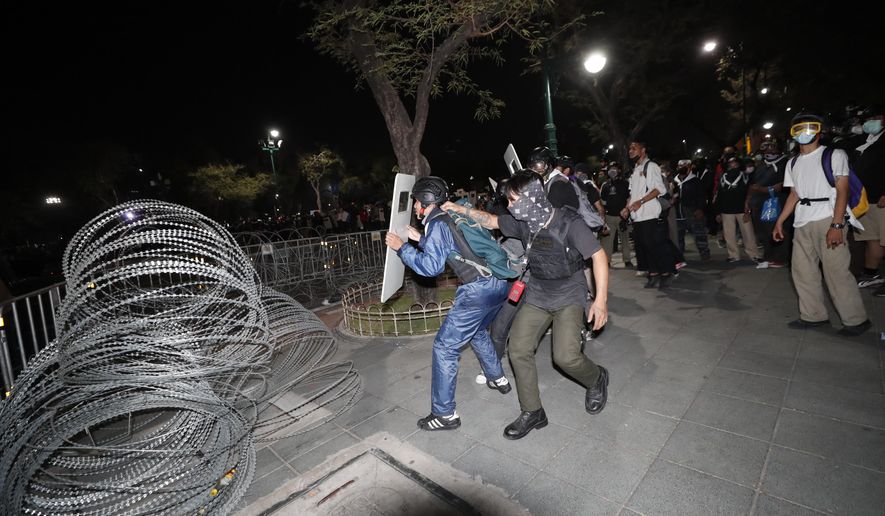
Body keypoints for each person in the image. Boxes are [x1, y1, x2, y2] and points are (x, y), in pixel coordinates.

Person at [442, 170, 610, 440]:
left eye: (513, 200)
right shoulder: (525, 224)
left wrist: (600, 301)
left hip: (569, 292)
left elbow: (598, 256)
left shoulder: (569, 222)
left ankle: (596, 378)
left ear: (532, 198)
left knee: (565, 357)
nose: (509, 206)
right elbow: (492, 221)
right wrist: (458, 210)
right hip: (538, 292)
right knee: (518, 349)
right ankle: (533, 411)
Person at [385, 177, 512, 431]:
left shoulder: (437, 223)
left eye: (416, 202)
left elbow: (431, 267)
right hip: (499, 283)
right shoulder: (448, 215)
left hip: (477, 290)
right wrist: (419, 238)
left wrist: (402, 249)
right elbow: (452, 248)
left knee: (444, 347)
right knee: (477, 331)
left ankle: (445, 415)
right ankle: (497, 378)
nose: (414, 208)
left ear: (425, 202)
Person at [773, 113, 871, 336]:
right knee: (802, 271)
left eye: (809, 127)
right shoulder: (793, 162)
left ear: (819, 131)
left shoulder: (834, 154)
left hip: (828, 216)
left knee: (836, 271)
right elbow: (794, 194)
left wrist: (836, 226)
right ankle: (813, 316)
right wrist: (780, 221)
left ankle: (856, 320)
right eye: (798, 128)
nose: (804, 133)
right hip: (802, 220)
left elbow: (842, 189)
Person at [621, 141, 678, 289]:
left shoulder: (651, 166)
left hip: (650, 214)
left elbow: (659, 189)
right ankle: (653, 275)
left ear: (643, 150)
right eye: (630, 149)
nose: (631, 151)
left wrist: (641, 201)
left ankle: (666, 273)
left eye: (634, 148)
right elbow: (632, 194)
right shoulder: (635, 170)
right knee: (645, 247)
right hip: (638, 216)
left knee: (654, 245)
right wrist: (627, 208)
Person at [853, 105, 885, 296]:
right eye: (869, 118)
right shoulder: (867, 141)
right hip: (866, 199)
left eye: (877, 117)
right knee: (872, 239)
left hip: (881, 198)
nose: (871, 121)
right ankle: (871, 275)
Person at [747, 140, 790, 268]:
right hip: (760, 203)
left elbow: (784, 185)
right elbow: (752, 184)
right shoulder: (760, 165)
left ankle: (781, 258)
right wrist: (748, 200)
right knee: (763, 231)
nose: (769, 152)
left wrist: (765, 189)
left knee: (777, 228)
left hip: (777, 202)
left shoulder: (785, 163)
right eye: (766, 150)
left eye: (772, 149)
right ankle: (768, 256)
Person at [715, 156, 760, 263]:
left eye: (735, 162)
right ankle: (733, 255)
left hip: (742, 209)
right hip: (726, 209)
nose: (733, 164)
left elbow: (750, 192)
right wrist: (718, 212)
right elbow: (719, 195)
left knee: (748, 232)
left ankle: (754, 254)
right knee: (729, 234)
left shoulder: (745, 176)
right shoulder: (723, 177)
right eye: (730, 162)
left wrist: (748, 206)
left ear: (739, 164)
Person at [674, 159, 710, 260]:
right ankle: (679, 257)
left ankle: (705, 253)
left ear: (690, 167)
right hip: (678, 213)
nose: (682, 168)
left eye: (685, 166)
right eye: (680, 166)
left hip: (692, 212)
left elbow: (701, 196)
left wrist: (700, 209)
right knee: (678, 236)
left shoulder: (695, 181)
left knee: (699, 234)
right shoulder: (674, 181)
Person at [600, 163, 634, 267]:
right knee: (607, 242)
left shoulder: (625, 183)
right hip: (609, 216)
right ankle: (607, 261)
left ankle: (627, 260)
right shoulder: (605, 185)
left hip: (622, 216)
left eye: (614, 169)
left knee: (624, 239)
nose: (612, 171)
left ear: (619, 170)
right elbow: (603, 200)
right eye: (610, 169)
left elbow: (629, 197)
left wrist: (627, 210)